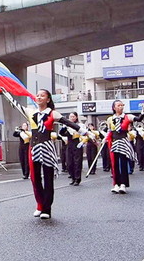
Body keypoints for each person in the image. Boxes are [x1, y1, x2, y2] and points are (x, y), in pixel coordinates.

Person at [26, 89, 87, 219]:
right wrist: (4, 91)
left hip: (47, 147)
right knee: (35, 178)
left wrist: (85, 132)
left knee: (48, 178)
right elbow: (14, 103)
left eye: (42, 95)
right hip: (34, 147)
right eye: (37, 95)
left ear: (48, 99)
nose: (39, 97)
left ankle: (47, 209)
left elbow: (68, 123)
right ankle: (40, 204)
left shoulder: (52, 113)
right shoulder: (31, 112)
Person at [105, 100, 144, 194]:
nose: (121, 107)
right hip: (114, 142)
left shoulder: (128, 116)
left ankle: (123, 184)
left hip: (123, 141)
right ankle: (116, 184)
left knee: (123, 163)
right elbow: (110, 131)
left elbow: (139, 119)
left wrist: (143, 111)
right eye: (118, 105)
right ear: (114, 108)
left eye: (122, 105)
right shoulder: (109, 119)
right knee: (115, 164)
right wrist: (106, 139)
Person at [59, 112, 84, 186]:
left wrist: (82, 142)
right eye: (70, 117)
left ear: (76, 117)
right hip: (69, 145)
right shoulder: (67, 126)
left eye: (73, 116)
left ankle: (77, 178)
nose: (72, 118)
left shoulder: (80, 125)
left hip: (77, 144)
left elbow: (84, 134)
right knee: (69, 162)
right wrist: (64, 127)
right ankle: (73, 178)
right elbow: (61, 133)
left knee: (77, 162)